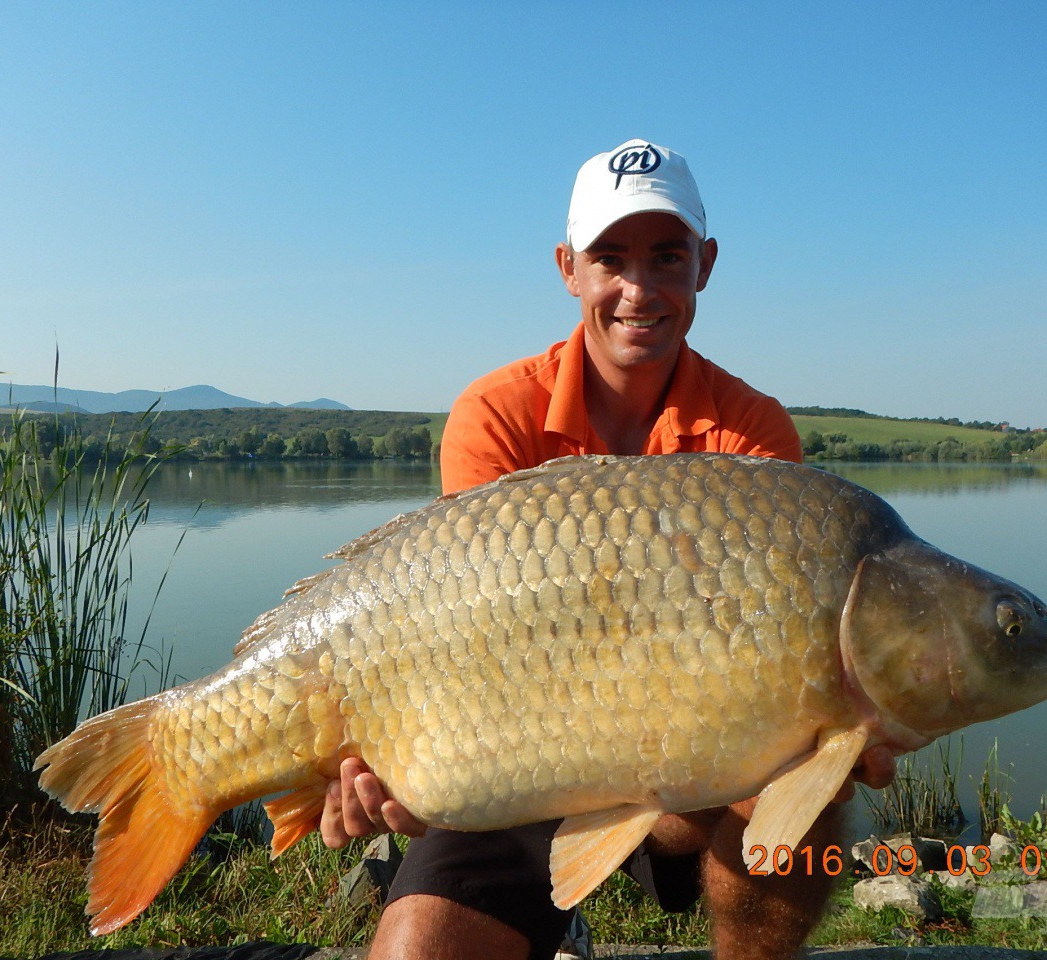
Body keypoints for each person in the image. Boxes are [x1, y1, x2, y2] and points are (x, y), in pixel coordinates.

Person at [320, 139, 896, 960]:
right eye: (610, 258)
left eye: (667, 256)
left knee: (813, 779)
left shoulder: (752, 433)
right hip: (520, 756)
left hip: (697, 771)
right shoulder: (494, 414)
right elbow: (456, 635)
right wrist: (405, 767)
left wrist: (841, 719)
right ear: (568, 268)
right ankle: (551, 913)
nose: (638, 289)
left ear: (706, 264)